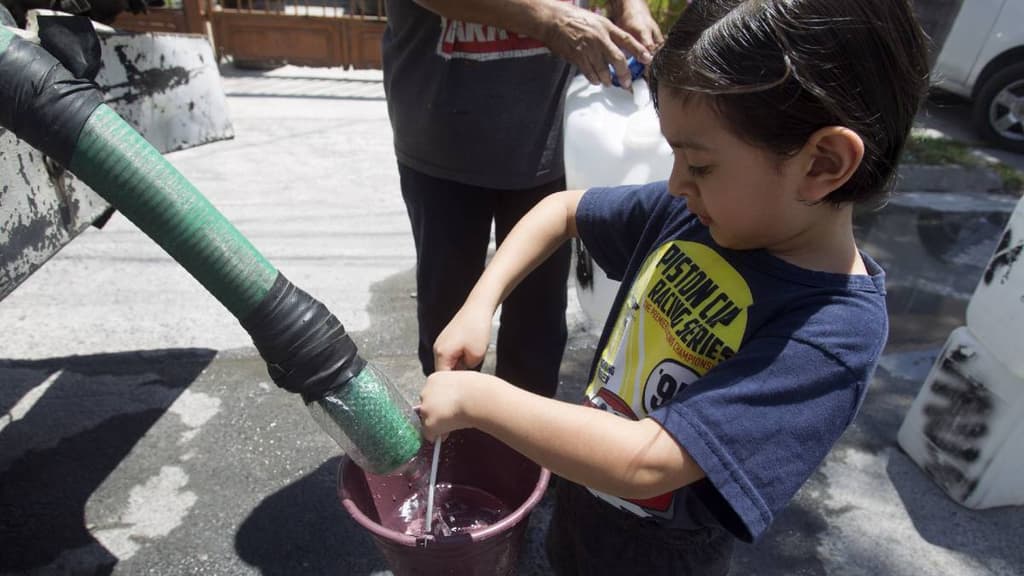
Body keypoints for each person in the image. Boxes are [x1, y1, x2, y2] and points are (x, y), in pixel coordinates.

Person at [417, 0, 931, 573]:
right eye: (673, 154)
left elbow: (649, 462)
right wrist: (478, 304)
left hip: (663, 555)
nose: (676, 181)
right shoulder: (696, 212)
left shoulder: (832, 332)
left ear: (822, 164)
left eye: (701, 164)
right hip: (585, 497)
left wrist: (478, 399)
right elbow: (561, 210)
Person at [382, 0, 663, 398]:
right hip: (443, 141)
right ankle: (451, 441)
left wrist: (629, 6)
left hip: (552, 137)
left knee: (539, 327)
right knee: (450, 314)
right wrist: (548, 20)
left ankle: (522, 451)